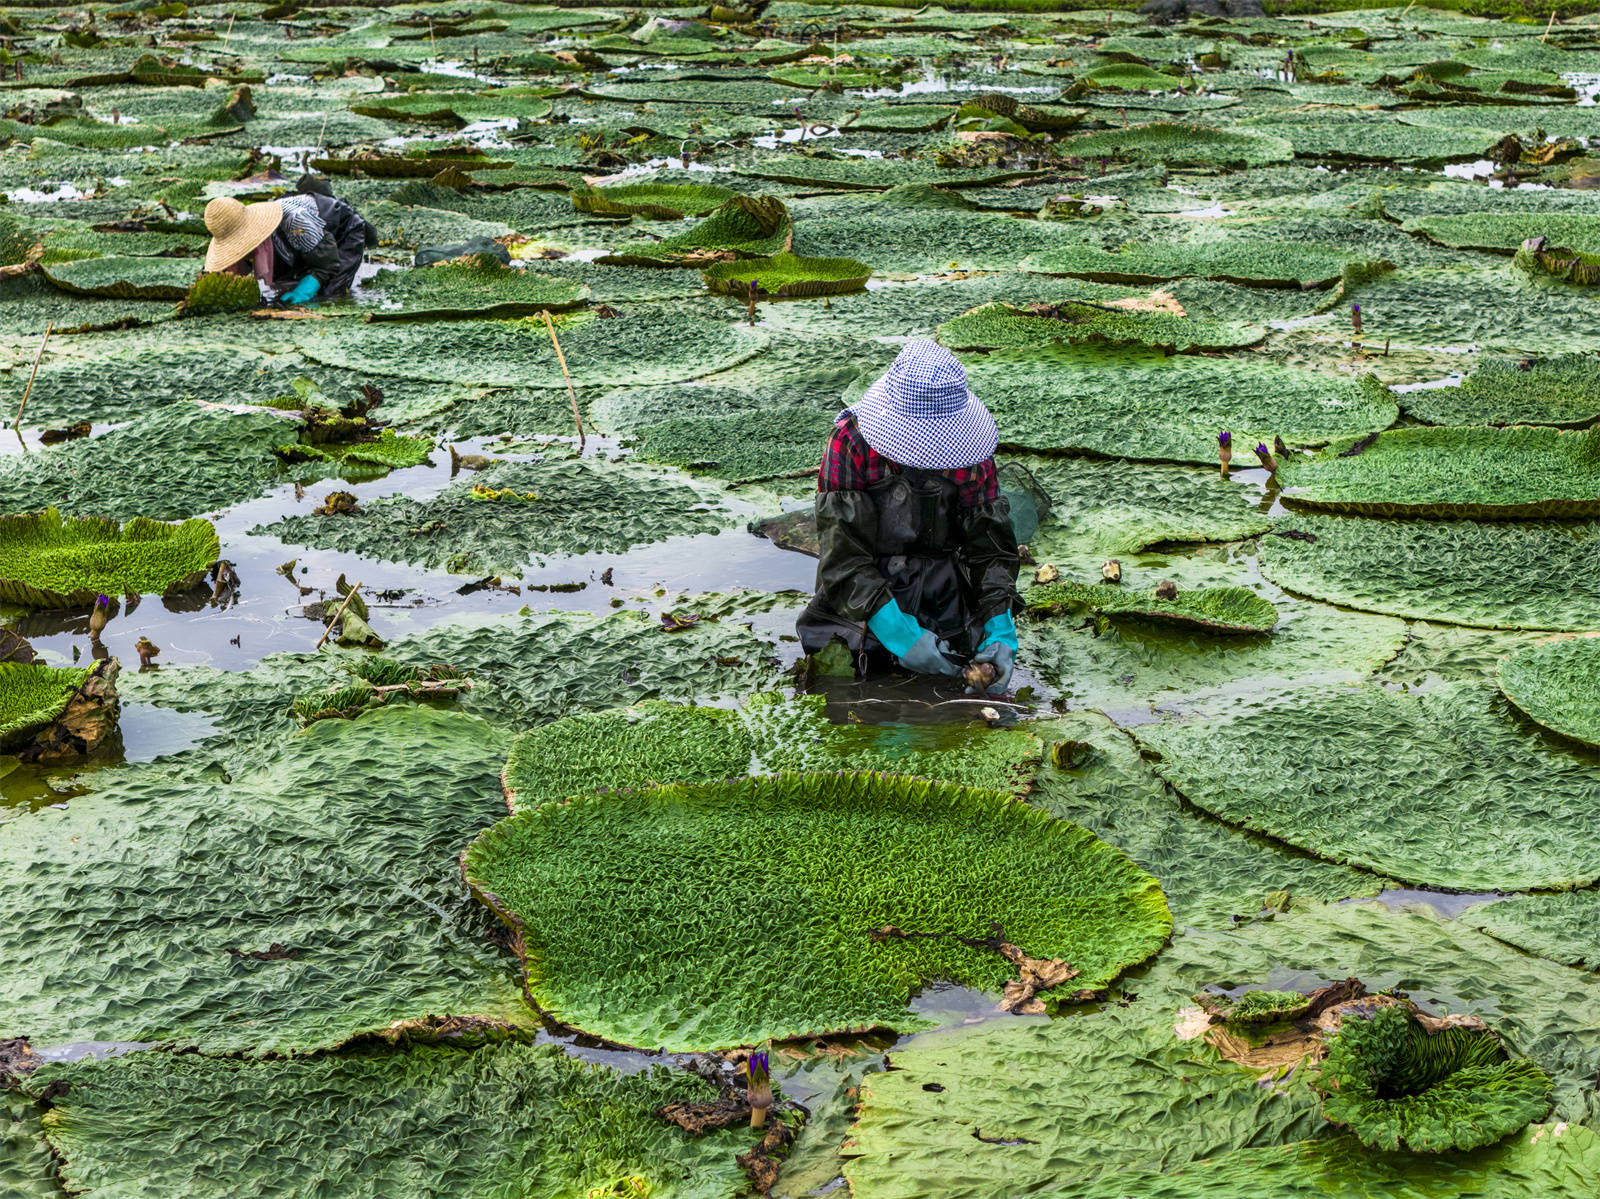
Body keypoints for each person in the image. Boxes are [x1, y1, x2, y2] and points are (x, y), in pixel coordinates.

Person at [796, 340, 1021, 695]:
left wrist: (1000, 625)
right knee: (845, 667)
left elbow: (989, 552)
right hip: (861, 584)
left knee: (968, 654)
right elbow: (843, 561)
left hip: (942, 581)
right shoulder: (850, 441)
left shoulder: (972, 455)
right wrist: (899, 634)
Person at [201, 188, 371, 306]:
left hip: (342, 232)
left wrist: (304, 292)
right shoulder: (236, 231)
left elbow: (327, 265)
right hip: (303, 243)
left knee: (328, 293)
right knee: (284, 288)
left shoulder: (295, 221)